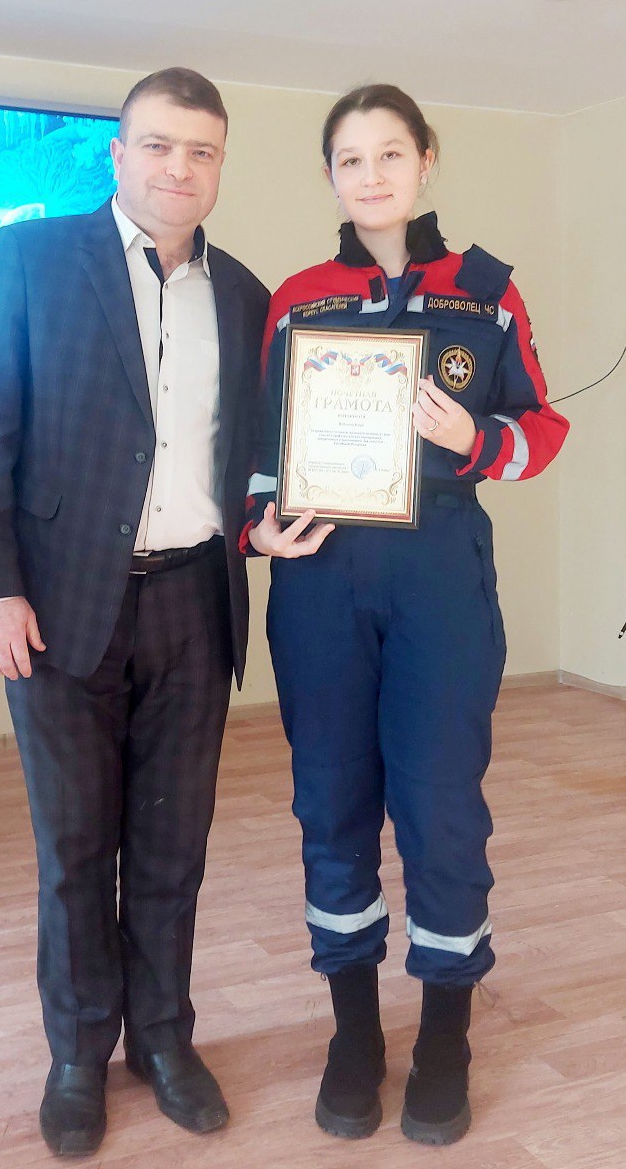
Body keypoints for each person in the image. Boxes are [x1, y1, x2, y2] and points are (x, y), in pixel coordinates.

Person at [0, 68, 268, 1158]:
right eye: (160, 145)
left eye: (202, 150)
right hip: (56, 608)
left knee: (174, 845)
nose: (181, 167)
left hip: (195, 600)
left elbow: (250, 451)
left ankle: (164, 1039)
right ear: (118, 154)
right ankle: (79, 1051)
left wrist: (273, 516)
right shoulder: (33, 258)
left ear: (219, 166)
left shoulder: (244, 294)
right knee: (77, 846)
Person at [245, 84, 569, 1147]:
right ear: (329, 176)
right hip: (321, 580)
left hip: (439, 579)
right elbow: (257, 443)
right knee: (330, 801)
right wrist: (259, 526)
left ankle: (442, 1036)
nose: (371, 174)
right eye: (350, 158)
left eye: (390, 152)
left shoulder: (486, 294)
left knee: (440, 805)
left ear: (426, 159)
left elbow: (539, 430)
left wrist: (473, 442)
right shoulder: (296, 298)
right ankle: (353, 1034)